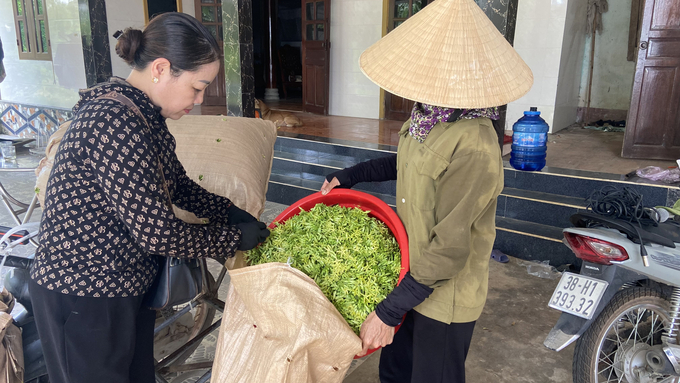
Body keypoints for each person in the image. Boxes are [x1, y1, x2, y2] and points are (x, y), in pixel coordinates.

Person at [28, 13, 270, 383]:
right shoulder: (114, 122)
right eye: (197, 86)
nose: (201, 99)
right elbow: (160, 235)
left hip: (122, 286)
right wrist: (234, 238)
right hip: (82, 293)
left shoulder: (142, 115)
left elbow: (180, 185)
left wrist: (230, 211)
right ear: (161, 68)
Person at [319, 0, 533, 381]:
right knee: (395, 373)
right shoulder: (428, 116)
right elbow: (404, 164)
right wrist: (350, 176)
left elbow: (450, 248)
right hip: (409, 276)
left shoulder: (474, 143)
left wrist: (389, 311)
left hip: (443, 298)